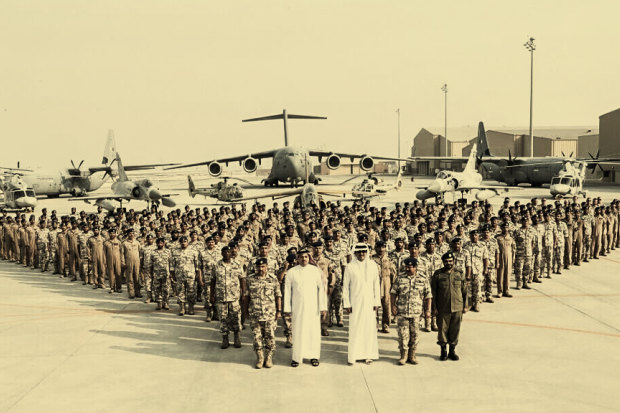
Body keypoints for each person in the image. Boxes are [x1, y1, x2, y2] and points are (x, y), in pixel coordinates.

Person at [283, 248, 327, 367]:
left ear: (309, 258)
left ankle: (314, 356)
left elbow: (321, 290)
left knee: (313, 332)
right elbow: (287, 291)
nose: (304, 259)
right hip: (298, 307)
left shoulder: (315, 271)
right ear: (297, 258)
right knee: (298, 331)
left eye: (306, 257)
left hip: (313, 307)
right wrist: (287, 308)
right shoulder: (292, 272)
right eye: (301, 257)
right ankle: (297, 357)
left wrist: (323, 307)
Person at [343, 243, 380, 365]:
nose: (362, 254)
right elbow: (345, 287)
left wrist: (376, 301)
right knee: (355, 328)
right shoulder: (349, 267)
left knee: (369, 328)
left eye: (364, 251)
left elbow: (376, 285)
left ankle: (368, 355)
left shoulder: (373, 265)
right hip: (355, 302)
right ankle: (353, 356)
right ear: (355, 253)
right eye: (359, 252)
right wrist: (347, 304)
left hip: (369, 302)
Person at [390, 257, 431, 365]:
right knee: (403, 335)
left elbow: (428, 296)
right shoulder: (400, 278)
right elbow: (393, 293)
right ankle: (403, 356)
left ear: (415, 267)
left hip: (416, 313)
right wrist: (393, 306)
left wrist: (428, 310)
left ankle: (412, 355)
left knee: (415, 335)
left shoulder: (422, 279)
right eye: (407, 267)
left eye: (411, 267)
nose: (408, 269)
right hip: (402, 312)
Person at [243, 258, 282, 369]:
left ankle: (269, 358)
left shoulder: (273, 279)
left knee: (270, 337)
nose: (261, 269)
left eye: (263, 266)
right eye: (258, 267)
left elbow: (278, 295)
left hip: (270, 314)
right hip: (255, 314)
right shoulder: (250, 279)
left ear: (267, 267)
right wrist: (245, 312)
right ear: (255, 267)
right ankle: (260, 358)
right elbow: (246, 297)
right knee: (257, 337)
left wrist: (279, 311)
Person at [430, 251, 468, 361]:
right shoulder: (438, 274)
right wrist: (434, 307)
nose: (448, 263)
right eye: (446, 261)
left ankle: (452, 350)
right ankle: (443, 351)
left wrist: (465, 306)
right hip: (443, 307)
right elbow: (433, 292)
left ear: (454, 262)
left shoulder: (459, 274)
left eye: (450, 261)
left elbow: (465, 291)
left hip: (457, 307)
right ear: (443, 262)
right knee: (442, 330)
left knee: (455, 330)